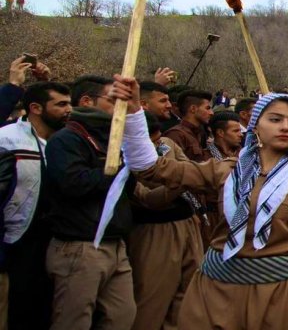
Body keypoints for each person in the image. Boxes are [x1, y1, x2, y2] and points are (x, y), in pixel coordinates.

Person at [111, 79, 288, 330]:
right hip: (215, 292)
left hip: (279, 297)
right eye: (275, 119)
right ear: (255, 126)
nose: (285, 127)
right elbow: (151, 170)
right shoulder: (227, 170)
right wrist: (134, 112)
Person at [44, 75, 137, 329]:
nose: (119, 106)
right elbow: (73, 183)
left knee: (122, 316)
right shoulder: (65, 140)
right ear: (87, 101)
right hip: (79, 244)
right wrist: (114, 172)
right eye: (113, 99)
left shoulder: (112, 139)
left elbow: (127, 187)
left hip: (114, 243)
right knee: (74, 320)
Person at [0, 81, 71, 330]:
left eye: (69, 103)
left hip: (50, 241)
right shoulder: (8, 139)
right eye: (61, 104)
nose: (68, 110)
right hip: (15, 244)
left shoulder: (64, 144)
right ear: (36, 108)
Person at [128, 113, 203, 330]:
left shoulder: (168, 144)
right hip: (154, 231)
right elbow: (150, 198)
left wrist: (186, 177)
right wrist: (183, 180)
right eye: (151, 141)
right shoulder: (126, 157)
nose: (157, 144)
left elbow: (188, 167)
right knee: (153, 298)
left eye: (157, 139)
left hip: (186, 222)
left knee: (190, 291)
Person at [164, 89, 213, 162]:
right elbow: (170, 168)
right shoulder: (175, 135)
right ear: (193, 109)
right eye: (207, 108)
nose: (211, 113)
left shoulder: (199, 133)